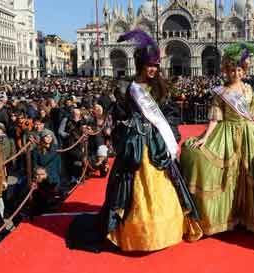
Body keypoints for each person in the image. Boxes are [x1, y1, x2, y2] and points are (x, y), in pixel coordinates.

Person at [66, 29, 201, 253]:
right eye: (150, 64)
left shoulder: (161, 87)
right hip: (135, 145)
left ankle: (166, 229)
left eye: (156, 65)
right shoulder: (127, 89)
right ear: (140, 64)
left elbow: (171, 115)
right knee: (131, 188)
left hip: (157, 145)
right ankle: (134, 232)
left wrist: (172, 135)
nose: (154, 69)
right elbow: (120, 115)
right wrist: (121, 127)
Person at [180, 43, 254, 235]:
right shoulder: (221, 92)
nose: (235, 73)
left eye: (239, 69)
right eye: (232, 70)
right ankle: (228, 216)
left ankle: (250, 216)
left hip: (250, 132)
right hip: (226, 133)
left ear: (244, 70)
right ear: (226, 70)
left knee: (249, 172)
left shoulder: (249, 90)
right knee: (215, 167)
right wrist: (205, 138)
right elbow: (216, 118)